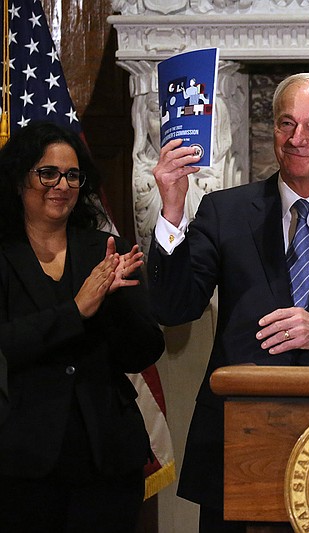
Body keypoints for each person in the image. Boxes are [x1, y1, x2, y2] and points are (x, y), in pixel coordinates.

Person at [148, 72, 309, 531]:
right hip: (238, 442)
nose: (297, 139)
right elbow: (174, 310)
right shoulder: (225, 211)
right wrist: (172, 210)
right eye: (286, 123)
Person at [0, 122, 165, 531]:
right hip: (21, 461)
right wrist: (76, 310)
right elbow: (7, 344)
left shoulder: (104, 249)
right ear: (20, 178)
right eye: (48, 173)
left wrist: (115, 303)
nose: (62, 185)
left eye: (73, 175)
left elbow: (144, 351)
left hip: (107, 457)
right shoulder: (3, 253)